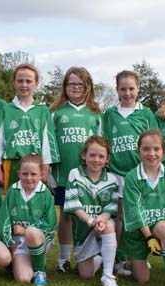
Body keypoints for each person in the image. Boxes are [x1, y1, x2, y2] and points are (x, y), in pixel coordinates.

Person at [103, 70, 158, 276]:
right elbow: (105, 141)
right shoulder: (110, 114)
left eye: (131, 89)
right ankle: (117, 258)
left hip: (140, 173)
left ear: (138, 89)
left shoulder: (146, 113)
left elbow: (154, 141)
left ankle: (136, 256)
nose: (127, 93)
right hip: (117, 172)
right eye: (123, 89)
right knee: (119, 217)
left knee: (137, 216)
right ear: (117, 91)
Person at [50, 67, 103, 273]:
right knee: (66, 214)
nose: (76, 88)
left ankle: (91, 255)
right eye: (72, 84)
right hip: (64, 174)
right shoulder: (55, 112)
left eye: (80, 84)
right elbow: (50, 143)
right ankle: (63, 259)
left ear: (88, 87)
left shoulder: (95, 114)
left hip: (89, 175)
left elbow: (101, 143)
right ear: (65, 86)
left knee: (90, 213)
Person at [123, 130, 165, 286]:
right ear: (139, 152)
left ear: (163, 152)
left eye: (156, 149)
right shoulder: (131, 177)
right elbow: (134, 210)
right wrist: (148, 237)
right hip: (139, 232)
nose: (151, 154)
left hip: (159, 227)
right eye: (146, 149)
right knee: (143, 279)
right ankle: (130, 261)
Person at [0, 64, 60, 195]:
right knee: (13, 202)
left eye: (28, 81)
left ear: (36, 83)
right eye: (20, 81)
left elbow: (47, 142)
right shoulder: (6, 109)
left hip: (35, 166)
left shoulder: (42, 110)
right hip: (12, 164)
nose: (24, 85)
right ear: (14, 83)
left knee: (35, 202)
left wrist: (45, 168)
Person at [64, 136, 119, 286]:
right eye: (92, 155)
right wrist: (90, 221)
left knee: (109, 225)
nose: (96, 160)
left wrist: (101, 219)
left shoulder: (112, 179)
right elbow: (74, 205)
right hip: (84, 230)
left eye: (101, 156)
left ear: (107, 159)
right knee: (86, 275)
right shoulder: (75, 174)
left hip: (101, 226)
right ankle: (102, 257)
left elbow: (111, 208)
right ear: (84, 155)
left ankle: (108, 276)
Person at [4, 153, 57, 286]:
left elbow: (51, 222)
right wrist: (9, 243)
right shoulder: (12, 191)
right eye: (25, 174)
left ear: (41, 175)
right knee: (23, 279)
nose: (29, 178)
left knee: (31, 232)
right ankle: (21, 264)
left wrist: (25, 230)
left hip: (38, 239)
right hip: (19, 244)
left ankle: (40, 270)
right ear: (18, 174)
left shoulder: (45, 193)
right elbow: (3, 219)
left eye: (33, 174)